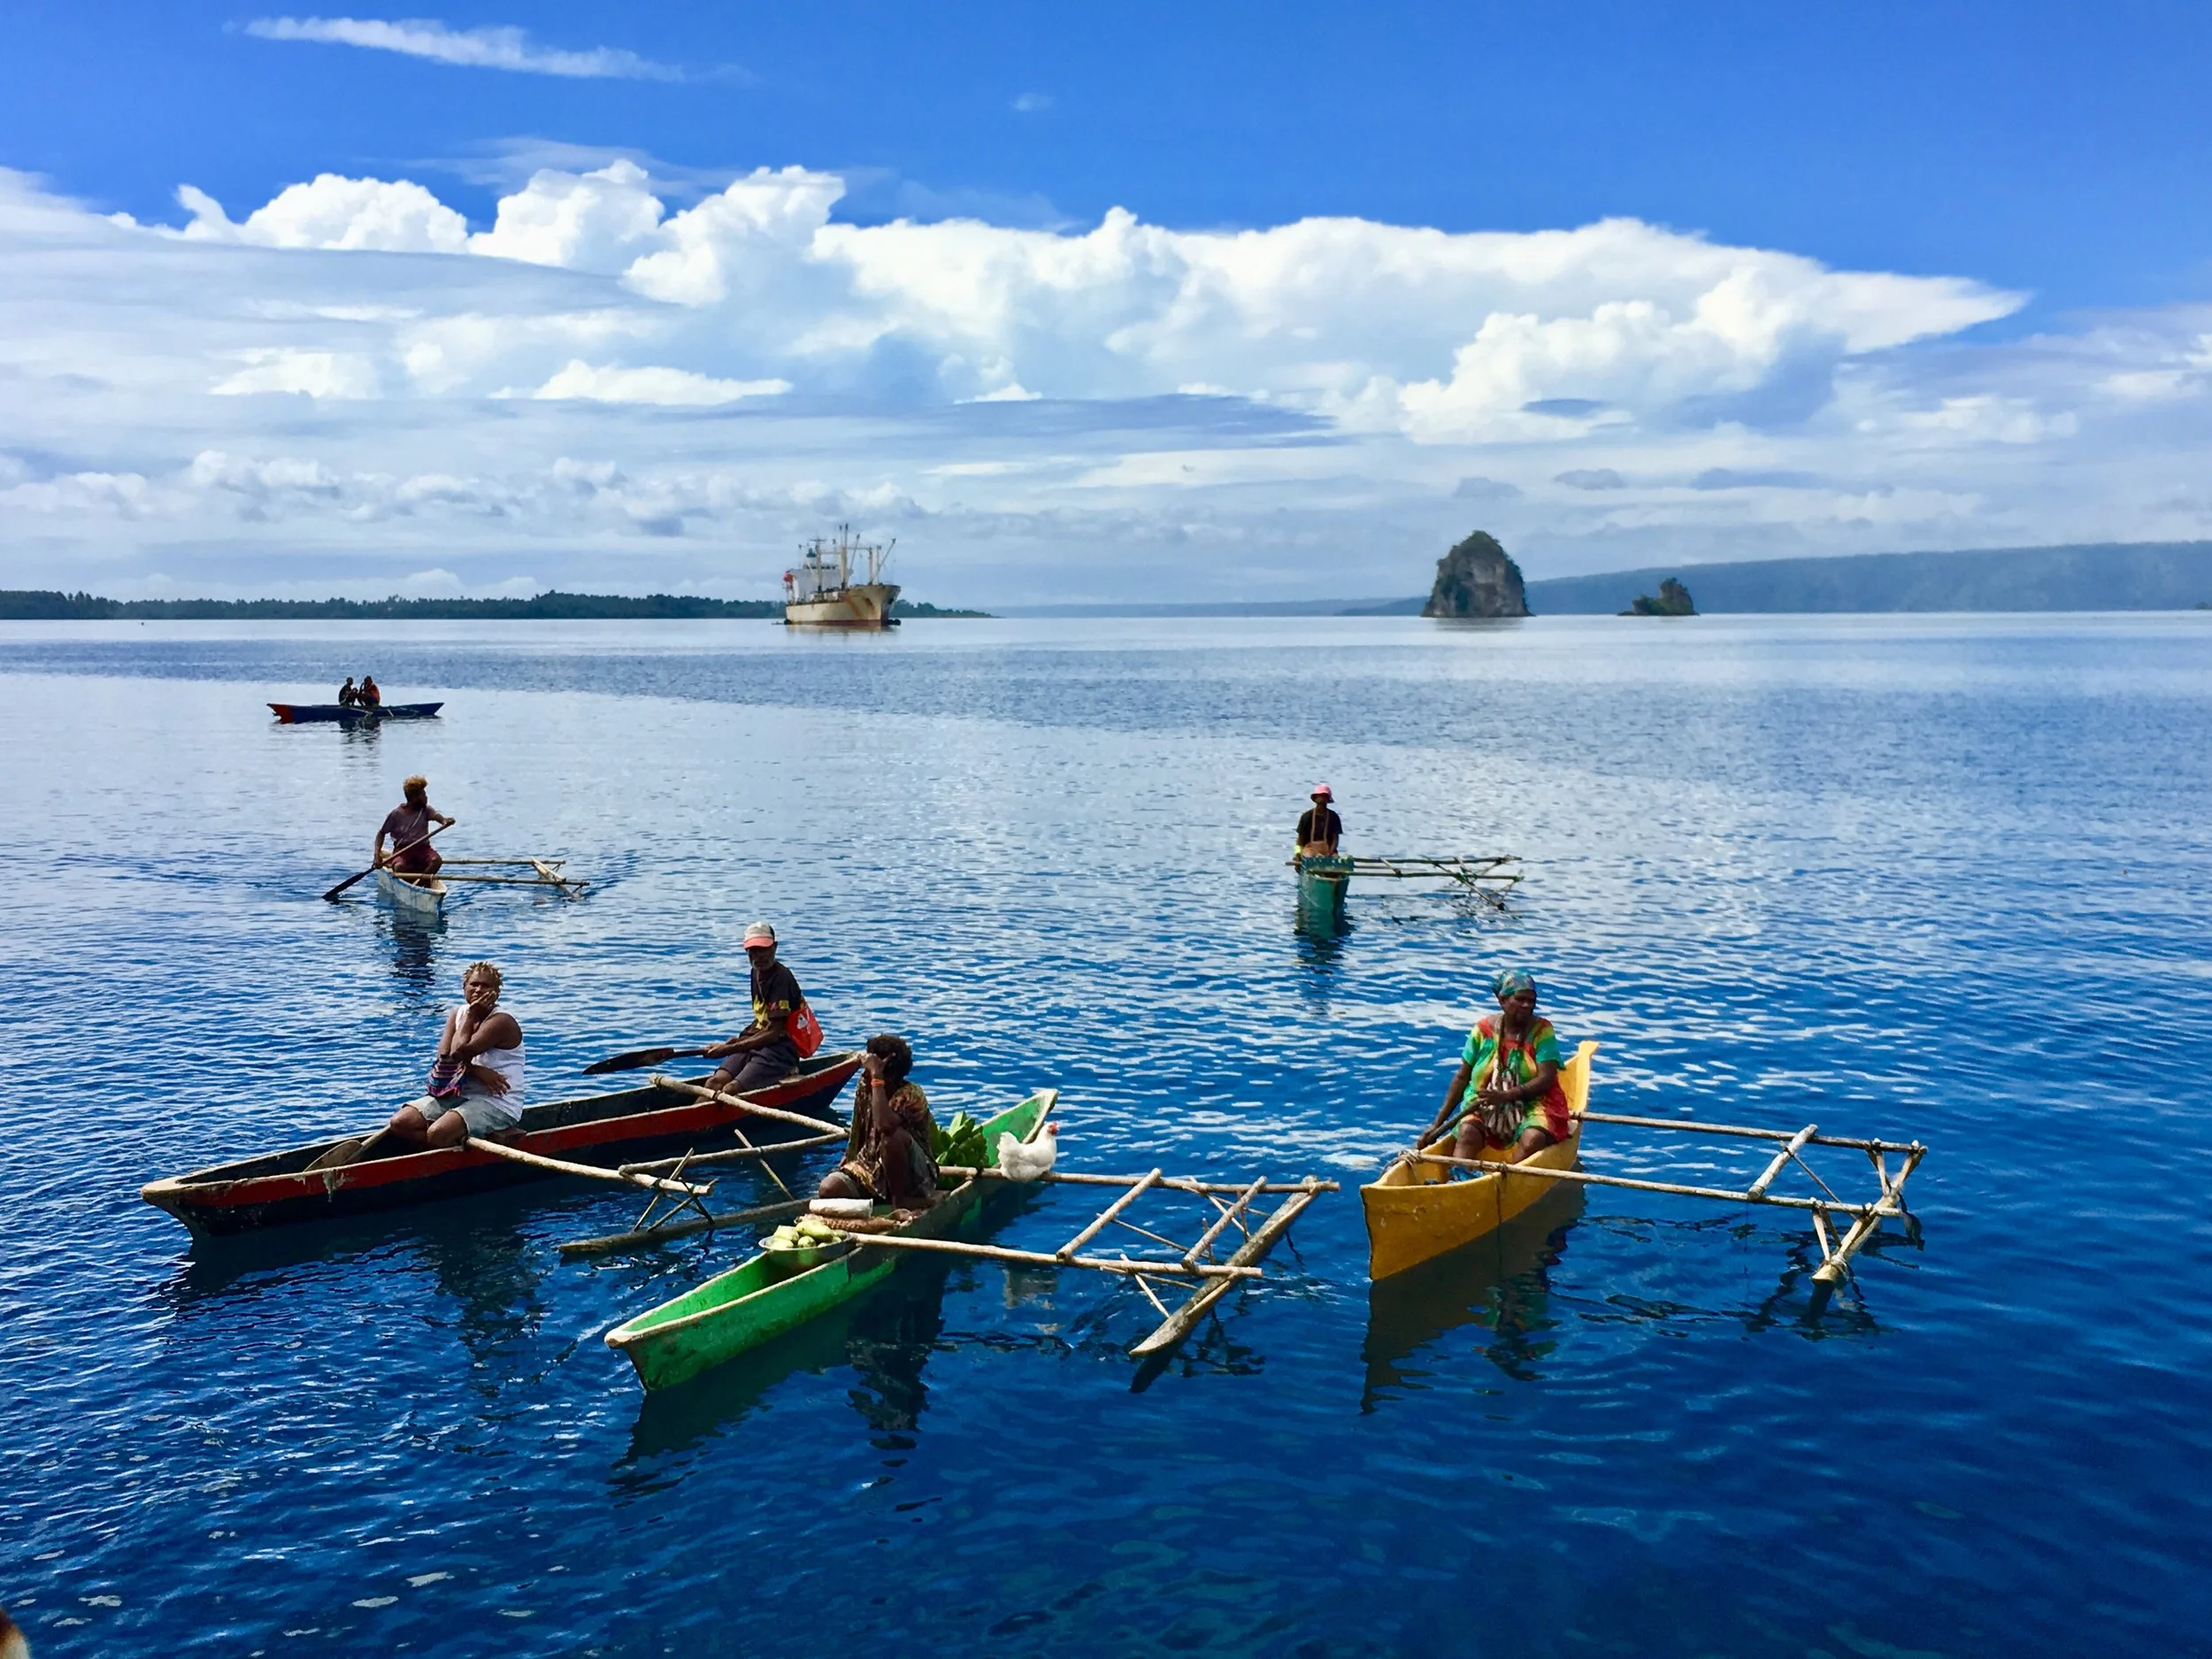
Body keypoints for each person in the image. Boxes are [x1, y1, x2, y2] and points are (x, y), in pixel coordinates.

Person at [1418, 969, 1572, 1165]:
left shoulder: (1542, 1030)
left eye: (1531, 1001)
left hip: (1533, 1103)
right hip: (1485, 1103)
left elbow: (1546, 1078)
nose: (1527, 1005)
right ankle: (1459, 1174)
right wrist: (1436, 1125)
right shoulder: (1482, 1031)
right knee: (1467, 1132)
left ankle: (1510, 1175)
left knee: (1533, 1138)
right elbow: (1462, 1077)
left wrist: (1507, 1096)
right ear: (1502, 1000)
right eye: (1520, 999)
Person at [383, 961, 525, 1148]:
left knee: (438, 1133)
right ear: (464, 987)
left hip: (497, 1102)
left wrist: (472, 1016)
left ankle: (448, 1142)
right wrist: (476, 1070)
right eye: (474, 984)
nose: (479, 990)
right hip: (457, 1094)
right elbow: (446, 1057)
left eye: (486, 986)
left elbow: (459, 1051)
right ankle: (453, 1143)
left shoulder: (501, 1021)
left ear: (496, 992)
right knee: (401, 1123)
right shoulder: (458, 1013)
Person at [818, 1033, 938, 1209]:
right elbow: (858, 1125)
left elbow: (884, 1125)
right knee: (828, 1188)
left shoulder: (911, 1095)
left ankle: (900, 1202)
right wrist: (850, 1159)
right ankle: (878, 1195)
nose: (865, 1070)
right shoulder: (865, 1086)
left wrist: (877, 1077)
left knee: (892, 1137)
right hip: (871, 1167)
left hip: (913, 1175)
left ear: (887, 1074)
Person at [701, 921, 804, 1094]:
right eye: (753, 951)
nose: (759, 956)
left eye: (764, 949)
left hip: (780, 1049)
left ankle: (785, 1069)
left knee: (731, 1090)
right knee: (714, 1082)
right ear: (747, 952)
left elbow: (774, 1032)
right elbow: (763, 1019)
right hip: (757, 1041)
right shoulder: (756, 972)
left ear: (775, 947)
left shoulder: (781, 978)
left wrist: (728, 1049)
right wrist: (738, 1042)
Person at [373, 775, 453, 877]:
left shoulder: (426, 810)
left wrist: (445, 821)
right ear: (414, 798)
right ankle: (398, 867)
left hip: (423, 849)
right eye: (423, 795)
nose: (426, 797)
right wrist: (377, 855)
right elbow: (381, 833)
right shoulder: (396, 814)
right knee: (399, 867)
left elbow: (438, 817)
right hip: (402, 851)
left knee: (436, 861)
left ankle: (421, 880)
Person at [1296, 784, 1341, 856]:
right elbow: (1300, 839)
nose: (1322, 798)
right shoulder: (1306, 816)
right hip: (1309, 849)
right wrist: (1298, 853)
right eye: (1319, 795)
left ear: (1328, 799)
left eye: (1324, 795)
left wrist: (1330, 852)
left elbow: (1335, 839)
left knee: (1335, 857)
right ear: (1315, 798)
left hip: (1329, 849)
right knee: (1309, 855)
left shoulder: (1333, 817)